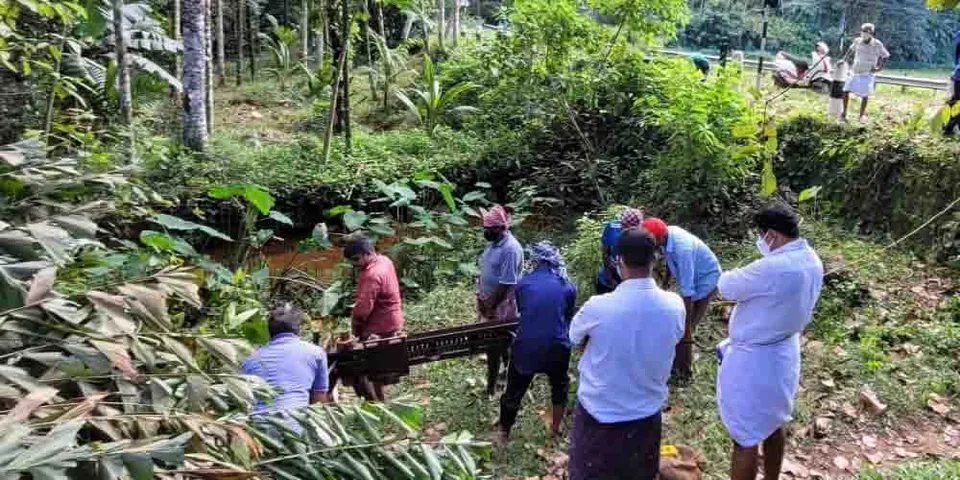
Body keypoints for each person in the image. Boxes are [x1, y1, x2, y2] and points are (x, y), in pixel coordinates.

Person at [716, 203, 824, 480]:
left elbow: (726, 286)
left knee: (745, 436)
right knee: (775, 423)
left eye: (761, 235)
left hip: (755, 360)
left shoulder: (773, 267)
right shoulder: (812, 259)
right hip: (785, 352)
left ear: (772, 235)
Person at [568, 228, 685, 480]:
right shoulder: (675, 306)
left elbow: (574, 338)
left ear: (618, 260)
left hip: (598, 414)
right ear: (655, 259)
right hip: (645, 416)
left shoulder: (598, 307)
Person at [496, 242, 576, 445]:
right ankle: (555, 429)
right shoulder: (567, 285)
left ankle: (503, 433)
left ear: (535, 260)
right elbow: (567, 318)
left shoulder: (524, 284)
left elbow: (523, 311)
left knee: (514, 390)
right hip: (557, 345)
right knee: (559, 386)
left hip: (527, 345)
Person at [641, 217, 722, 382]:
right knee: (680, 327)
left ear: (659, 238)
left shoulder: (682, 249)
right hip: (695, 279)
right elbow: (671, 261)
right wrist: (665, 283)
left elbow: (687, 290)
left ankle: (684, 374)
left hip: (707, 281)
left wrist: (684, 322)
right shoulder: (667, 234)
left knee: (686, 328)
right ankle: (676, 366)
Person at [240, 305, 330, 415]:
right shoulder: (315, 353)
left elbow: (245, 402)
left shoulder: (250, 360)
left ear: (269, 332)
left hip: (257, 426)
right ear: (298, 329)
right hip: (295, 425)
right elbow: (318, 401)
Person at [346, 233, 405, 401]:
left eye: (356, 260)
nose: (355, 264)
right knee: (377, 367)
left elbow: (363, 309)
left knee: (367, 368)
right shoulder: (384, 261)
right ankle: (379, 398)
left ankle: (377, 402)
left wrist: (355, 327)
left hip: (379, 326)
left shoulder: (371, 275)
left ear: (367, 253)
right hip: (393, 319)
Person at [477, 204, 524, 397]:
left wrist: (490, 306)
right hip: (489, 301)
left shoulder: (510, 249)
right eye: (484, 228)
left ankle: (491, 388)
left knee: (494, 346)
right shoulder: (494, 244)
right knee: (502, 344)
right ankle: (506, 376)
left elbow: (506, 282)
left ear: (500, 228)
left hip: (502, 305)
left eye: (489, 229)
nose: (486, 232)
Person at [842, 23, 890, 123]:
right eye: (863, 31)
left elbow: (886, 56)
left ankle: (861, 115)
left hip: (867, 73)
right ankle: (844, 113)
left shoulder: (877, 44)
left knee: (865, 94)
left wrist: (879, 68)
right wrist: (844, 60)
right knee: (846, 90)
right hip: (855, 70)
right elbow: (850, 51)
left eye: (866, 31)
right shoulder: (857, 41)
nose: (864, 34)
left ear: (871, 33)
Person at [596, 207, 644, 294]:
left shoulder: (641, 238)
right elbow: (605, 252)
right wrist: (609, 276)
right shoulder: (612, 226)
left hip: (628, 283)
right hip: (608, 280)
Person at [945, 30, 960, 136]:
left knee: (954, 102)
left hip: (957, 76)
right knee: (955, 103)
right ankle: (948, 128)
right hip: (958, 77)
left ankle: (948, 128)